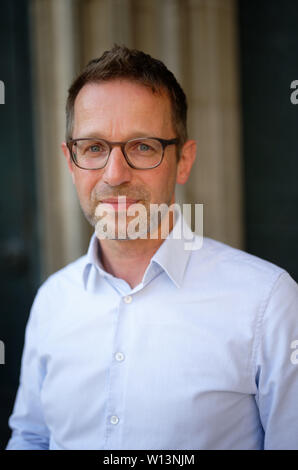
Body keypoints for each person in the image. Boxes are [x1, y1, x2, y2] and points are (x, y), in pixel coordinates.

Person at [6, 45, 298, 450]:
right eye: (93, 148)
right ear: (71, 163)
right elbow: (32, 439)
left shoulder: (268, 303)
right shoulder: (52, 301)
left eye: (142, 146)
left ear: (183, 160)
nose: (115, 174)